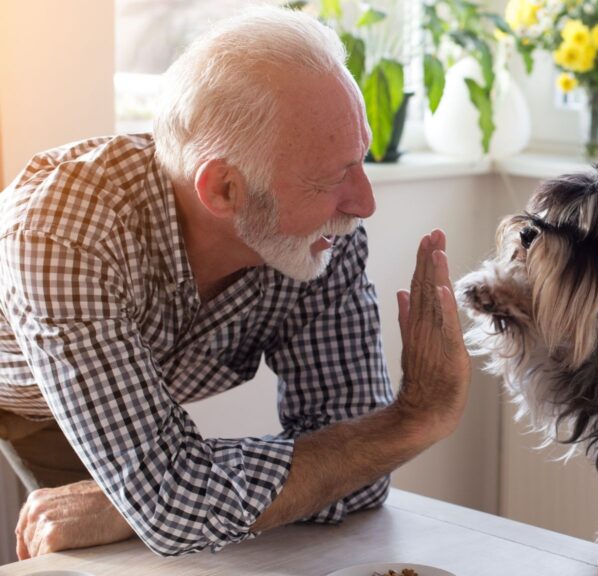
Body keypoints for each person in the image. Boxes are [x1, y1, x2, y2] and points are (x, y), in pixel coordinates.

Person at [0, 6, 470, 559]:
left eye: (360, 159)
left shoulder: (321, 237)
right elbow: (176, 507)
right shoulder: (64, 232)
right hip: (18, 394)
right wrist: (416, 419)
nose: (364, 203)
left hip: (123, 394)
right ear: (223, 189)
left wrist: (158, 496)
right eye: (332, 176)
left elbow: (361, 472)